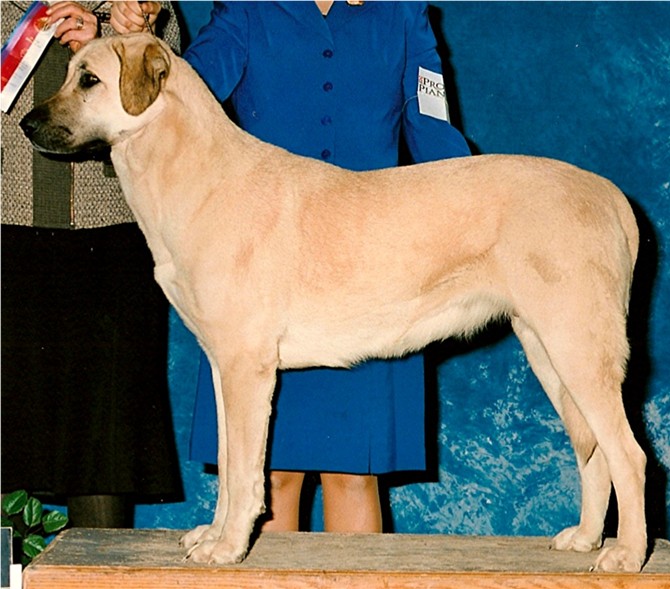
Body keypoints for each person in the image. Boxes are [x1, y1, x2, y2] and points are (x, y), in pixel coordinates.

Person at [182, 1, 471, 532]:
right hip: (262, 274)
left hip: (374, 276)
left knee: (356, 475)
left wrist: (475, 211)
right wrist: (136, 36)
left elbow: (432, 129)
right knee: (272, 476)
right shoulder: (246, 10)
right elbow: (180, 96)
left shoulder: (402, 14)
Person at [1, 1, 182, 528]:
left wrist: (107, 36)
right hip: (6, 219)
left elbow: (171, 79)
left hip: (111, 227)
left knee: (105, 447)